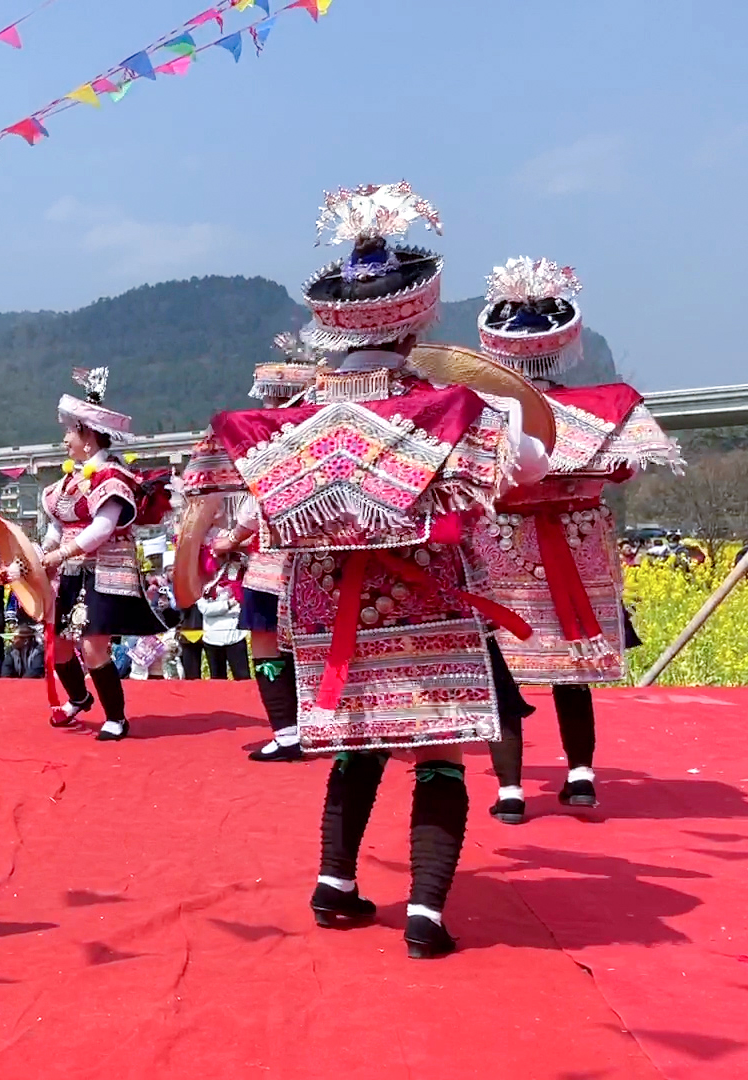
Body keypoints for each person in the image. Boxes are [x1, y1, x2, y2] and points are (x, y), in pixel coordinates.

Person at [181, 182, 549, 959]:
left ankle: (334, 884)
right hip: (424, 595)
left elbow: (245, 510)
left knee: (355, 741)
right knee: (439, 749)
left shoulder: (295, 418)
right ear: (417, 315)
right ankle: (424, 914)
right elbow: (525, 469)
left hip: (324, 603)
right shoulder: (450, 407)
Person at [461, 258, 682, 822]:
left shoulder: (478, 414)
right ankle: (581, 778)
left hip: (500, 546)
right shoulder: (607, 406)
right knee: (572, 663)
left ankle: (510, 791)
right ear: (565, 346)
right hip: (577, 539)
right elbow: (624, 471)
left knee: (500, 664)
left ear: (496, 349)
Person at [0, 367, 165, 741]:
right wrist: (29, 560)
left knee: (93, 645)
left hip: (107, 568)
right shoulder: (69, 483)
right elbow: (57, 528)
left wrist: (58, 556)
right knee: (57, 644)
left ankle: (117, 718)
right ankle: (78, 697)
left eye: (69, 432)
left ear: (88, 436)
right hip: (73, 571)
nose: (64, 440)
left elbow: (103, 528)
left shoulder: (112, 478)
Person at [208, 339, 321, 761]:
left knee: (267, 643)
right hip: (318, 562)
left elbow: (259, 504)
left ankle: (287, 732)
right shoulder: (321, 441)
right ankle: (319, 727)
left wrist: (231, 539)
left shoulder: (280, 446)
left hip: (275, 564)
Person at [196, 586, 248, 680]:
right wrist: (228, 604)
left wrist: (217, 609)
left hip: (235, 638)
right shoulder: (203, 582)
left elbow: (238, 606)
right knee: (217, 683)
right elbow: (205, 609)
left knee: (243, 680)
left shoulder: (236, 576)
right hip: (212, 640)